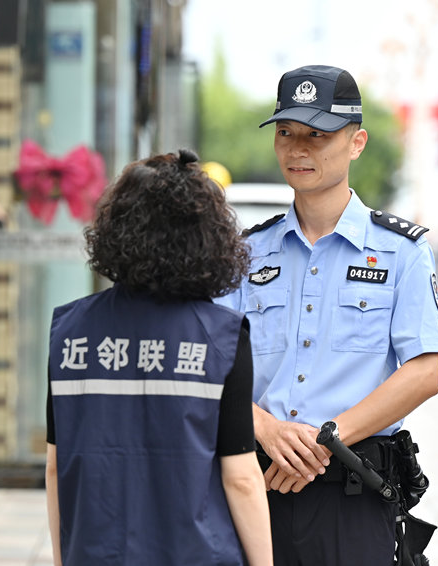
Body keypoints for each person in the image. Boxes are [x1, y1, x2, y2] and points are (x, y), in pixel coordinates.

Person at [216, 65, 438, 565]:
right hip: (257, 479)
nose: (299, 148)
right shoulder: (247, 252)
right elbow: (211, 362)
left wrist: (327, 441)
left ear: (357, 142)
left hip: (353, 485)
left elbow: (425, 371)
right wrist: (266, 428)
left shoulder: (401, 252)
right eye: (286, 132)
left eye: (318, 134)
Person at [45, 150, 273, 566]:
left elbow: (56, 467)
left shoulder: (70, 331)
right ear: (206, 237)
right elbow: (241, 477)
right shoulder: (220, 338)